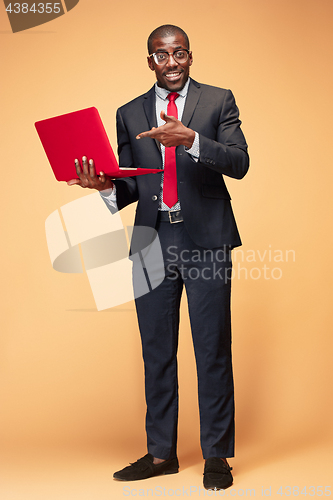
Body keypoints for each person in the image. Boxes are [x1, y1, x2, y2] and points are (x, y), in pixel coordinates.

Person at [68, 25, 249, 490]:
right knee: (156, 351)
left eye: (179, 53)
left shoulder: (217, 101)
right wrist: (106, 186)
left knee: (211, 349)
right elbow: (131, 182)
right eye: (161, 55)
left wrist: (190, 140)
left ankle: (217, 456)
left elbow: (240, 162)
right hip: (151, 243)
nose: (171, 63)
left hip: (207, 239)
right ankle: (161, 454)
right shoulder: (129, 113)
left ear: (190, 56)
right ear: (149, 60)